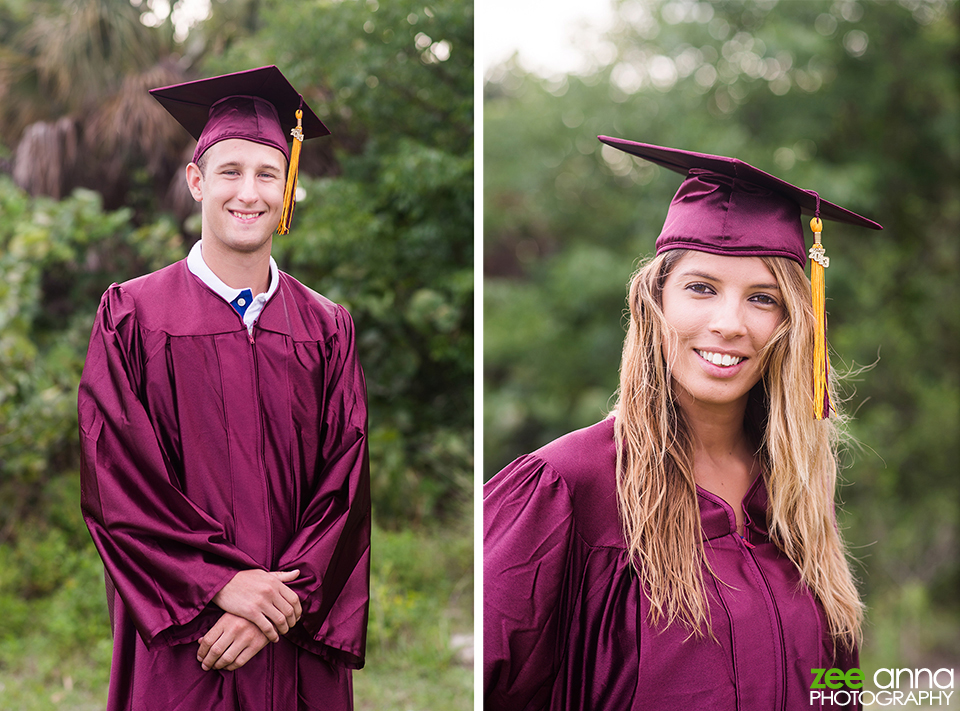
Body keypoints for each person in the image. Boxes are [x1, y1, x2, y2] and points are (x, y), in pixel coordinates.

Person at [483, 137, 882, 710]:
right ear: (656, 301)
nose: (729, 323)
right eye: (701, 288)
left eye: (762, 298)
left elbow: (837, 688)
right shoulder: (568, 486)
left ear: (793, 323)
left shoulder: (795, 490)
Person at [78, 66, 370, 711]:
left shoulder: (324, 327)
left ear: (288, 187)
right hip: (186, 631)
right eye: (231, 171)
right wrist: (220, 584)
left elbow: (344, 486)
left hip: (295, 630)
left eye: (268, 173)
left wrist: (276, 601)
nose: (249, 193)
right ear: (196, 182)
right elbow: (116, 476)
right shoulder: (132, 315)